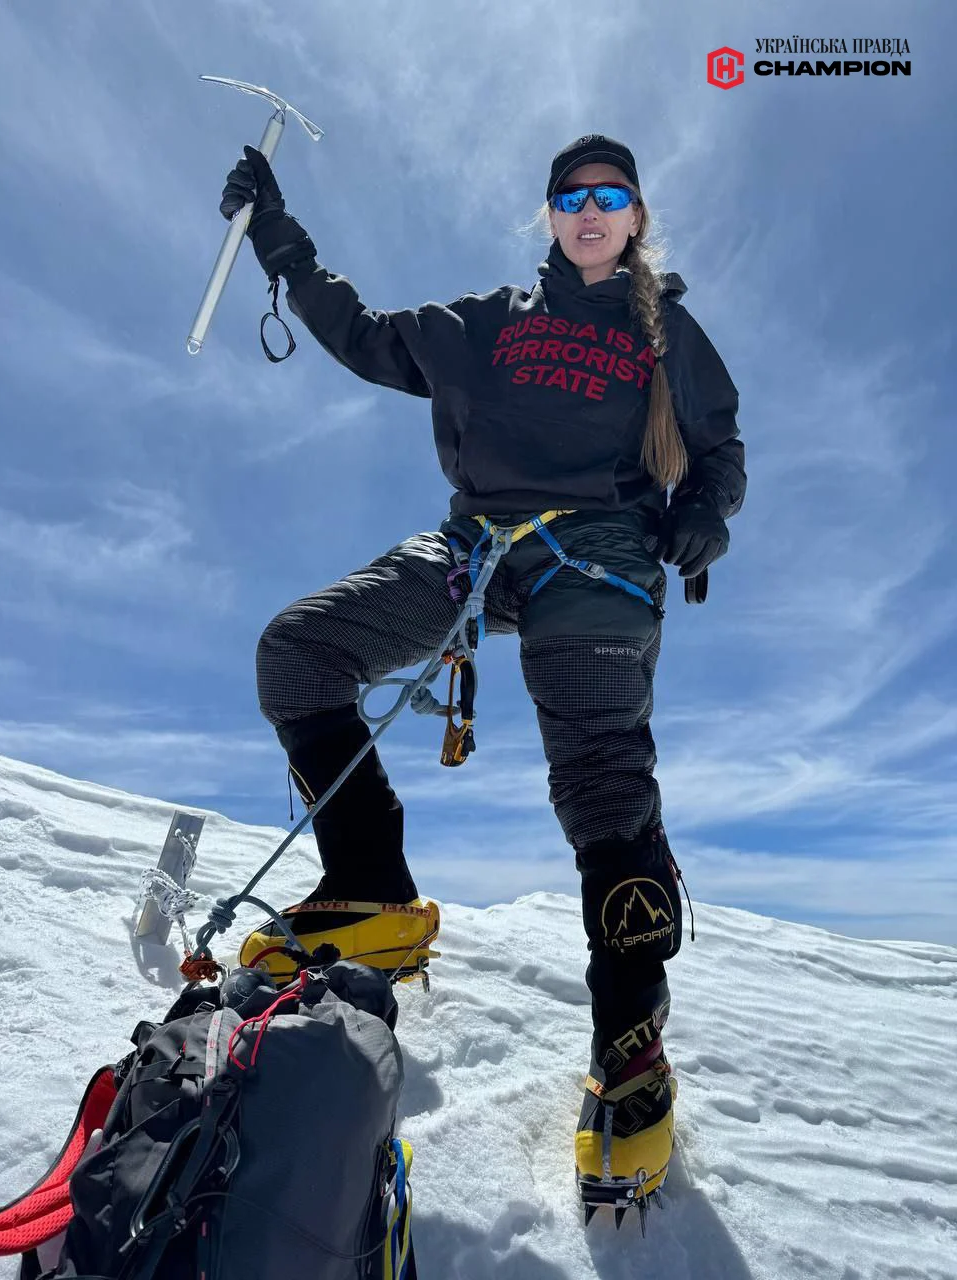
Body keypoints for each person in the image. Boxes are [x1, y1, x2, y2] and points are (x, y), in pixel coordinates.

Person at [221, 133, 745, 1203]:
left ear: (635, 216)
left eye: (611, 195)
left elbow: (721, 449)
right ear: (549, 214)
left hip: (598, 552)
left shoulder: (665, 334)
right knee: (301, 650)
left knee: (599, 776)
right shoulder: (486, 322)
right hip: (473, 547)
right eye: (571, 195)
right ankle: (368, 886)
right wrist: (277, 235)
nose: (590, 210)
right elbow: (364, 335)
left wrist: (704, 510)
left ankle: (631, 1039)